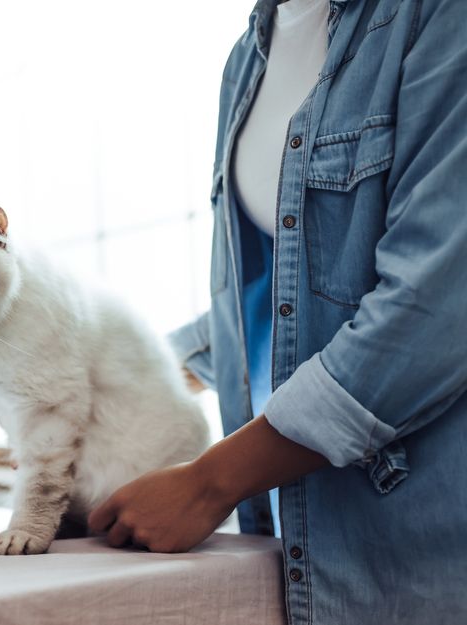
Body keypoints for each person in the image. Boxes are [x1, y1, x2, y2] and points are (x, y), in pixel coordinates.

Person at [89, 0, 467, 622]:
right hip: (298, 541)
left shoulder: (433, 17)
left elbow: (432, 311)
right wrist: (84, 384)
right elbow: (272, 300)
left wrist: (210, 481)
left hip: (424, 546)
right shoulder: (247, 58)